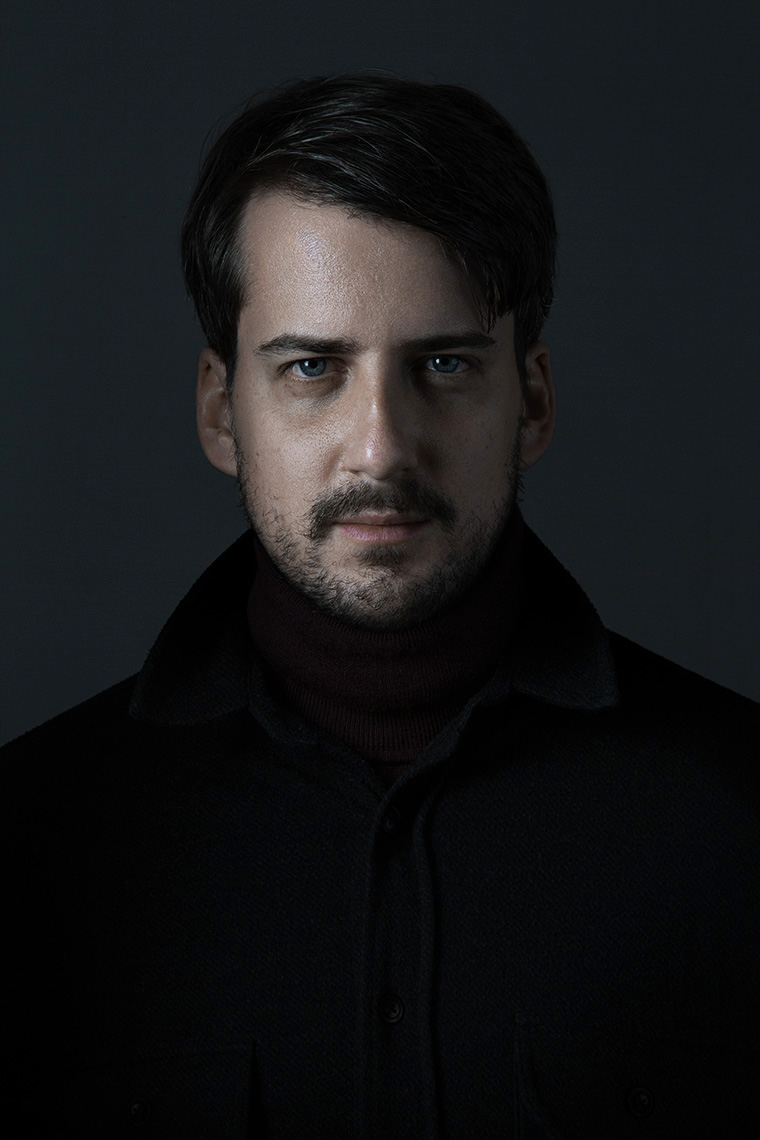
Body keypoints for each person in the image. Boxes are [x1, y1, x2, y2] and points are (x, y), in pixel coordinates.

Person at [6, 71, 758, 1139]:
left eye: (443, 364)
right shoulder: (34, 841)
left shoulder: (737, 818)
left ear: (531, 401)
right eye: (313, 367)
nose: (381, 449)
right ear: (224, 413)